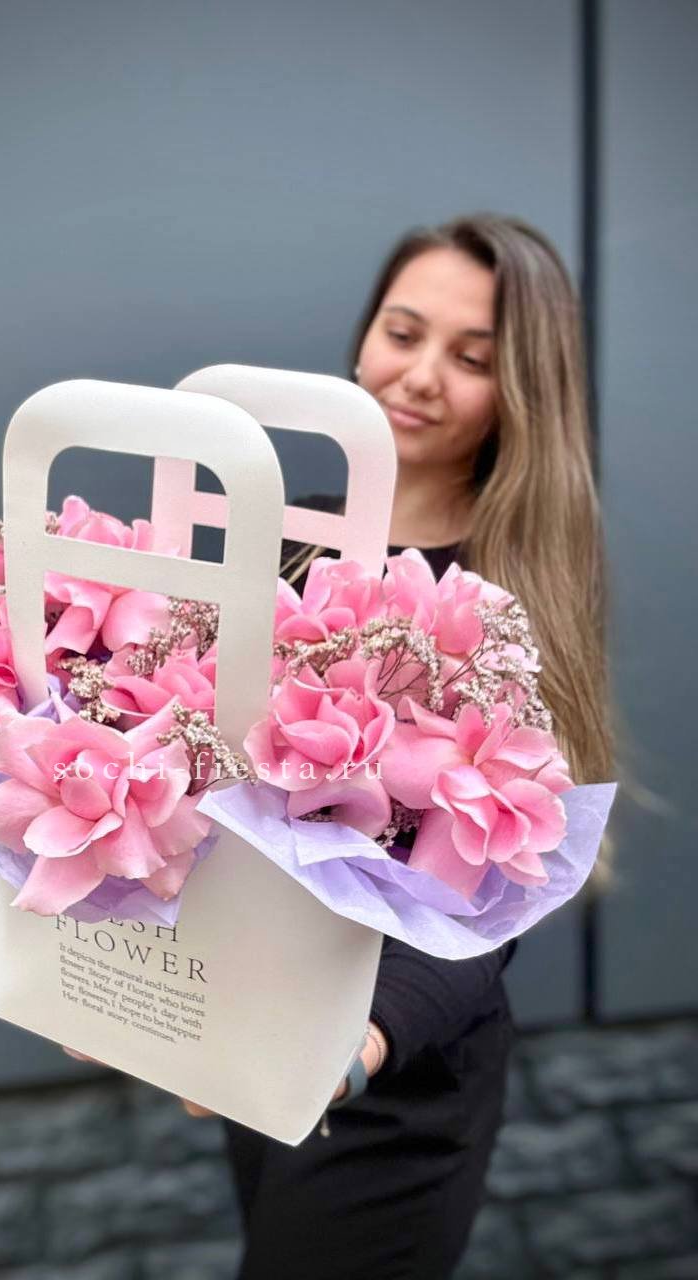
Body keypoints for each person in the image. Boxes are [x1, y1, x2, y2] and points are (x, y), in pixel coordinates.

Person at [67, 212, 616, 1279]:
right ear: (364, 336)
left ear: (523, 392)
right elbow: (192, 771)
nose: (419, 376)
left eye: (471, 359)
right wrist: (104, 953)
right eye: (402, 333)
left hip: (391, 1074)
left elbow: (496, 885)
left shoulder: (518, 578)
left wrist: (366, 1039)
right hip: (254, 1022)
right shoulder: (284, 533)